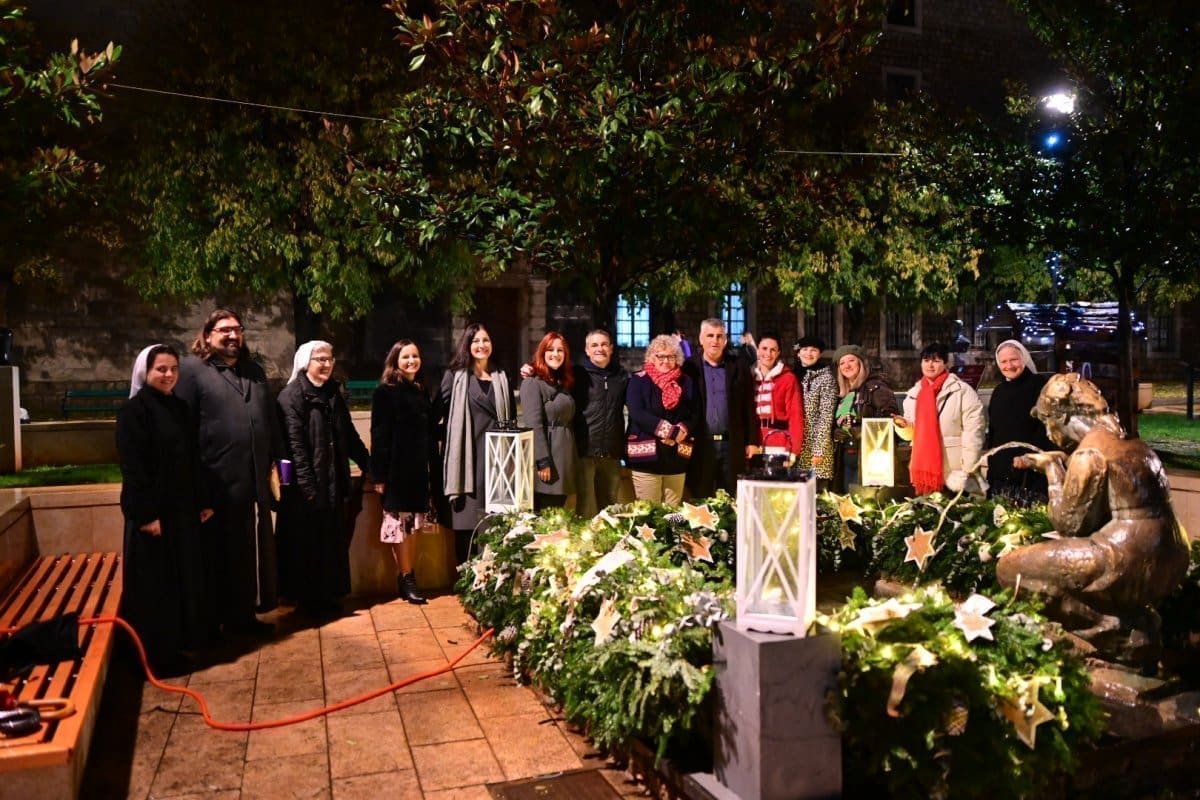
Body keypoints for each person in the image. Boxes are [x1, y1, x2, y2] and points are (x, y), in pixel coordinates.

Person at [997, 373, 1189, 672]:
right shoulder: (1128, 441)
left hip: (1125, 559)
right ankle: (1138, 626)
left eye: (1048, 422)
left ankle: (1117, 637)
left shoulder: (1090, 452)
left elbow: (1068, 524)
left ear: (1062, 416)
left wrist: (1052, 470)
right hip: (1171, 554)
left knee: (1011, 569)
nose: (1048, 432)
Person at [175, 310, 281, 638]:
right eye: (224, 330)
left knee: (243, 554)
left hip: (250, 484)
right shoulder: (191, 371)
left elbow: (269, 422)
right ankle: (209, 626)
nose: (233, 335)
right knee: (212, 557)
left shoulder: (254, 371)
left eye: (238, 329)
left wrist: (277, 468)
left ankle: (242, 618)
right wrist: (195, 487)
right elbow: (183, 431)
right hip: (212, 485)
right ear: (208, 335)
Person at [117, 344, 211, 676]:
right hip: (153, 515)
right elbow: (133, 467)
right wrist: (145, 515)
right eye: (161, 369)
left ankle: (177, 646)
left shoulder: (179, 407)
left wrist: (202, 500)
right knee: (155, 587)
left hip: (181, 512)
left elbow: (192, 459)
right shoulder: (134, 411)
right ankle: (154, 656)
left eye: (173, 369)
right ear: (146, 371)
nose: (169, 375)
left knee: (180, 580)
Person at [275, 341, 370, 617]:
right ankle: (308, 601)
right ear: (306, 361)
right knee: (307, 546)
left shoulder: (332, 394)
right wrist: (307, 487)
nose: (327, 364)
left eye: (330, 359)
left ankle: (329, 596)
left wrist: (369, 465)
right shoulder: (291, 397)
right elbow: (295, 447)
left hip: (332, 483)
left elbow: (348, 435)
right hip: (306, 490)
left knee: (330, 544)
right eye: (320, 359)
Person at [371, 340, 439, 605]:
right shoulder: (385, 393)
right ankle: (406, 577)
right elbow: (379, 436)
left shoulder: (421, 390)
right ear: (395, 361)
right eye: (406, 357)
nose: (412, 361)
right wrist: (378, 476)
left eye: (415, 356)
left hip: (419, 472)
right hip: (396, 473)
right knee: (400, 528)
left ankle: (409, 575)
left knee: (414, 527)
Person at [441, 323, 513, 564]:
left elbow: (511, 420)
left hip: (498, 462)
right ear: (467, 345)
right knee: (466, 526)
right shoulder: (455, 376)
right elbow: (437, 414)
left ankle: (490, 579)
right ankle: (465, 579)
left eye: (486, 340)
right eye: (476, 341)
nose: (482, 345)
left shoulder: (501, 376)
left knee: (494, 525)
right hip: (467, 461)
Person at [897, 342, 986, 495]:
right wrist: (903, 426)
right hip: (925, 470)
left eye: (936, 361)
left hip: (955, 470)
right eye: (926, 360)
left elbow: (974, 431)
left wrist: (968, 467)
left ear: (946, 364)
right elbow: (912, 435)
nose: (930, 365)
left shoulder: (961, 391)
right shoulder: (913, 395)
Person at [683, 319, 753, 498]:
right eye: (710, 336)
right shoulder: (689, 367)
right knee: (700, 496)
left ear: (725, 340)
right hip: (701, 444)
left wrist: (751, 441)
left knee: (729, 498)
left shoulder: (739, 366)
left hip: (731, 444)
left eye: (719, 336)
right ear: (701, 339)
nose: (715, 340)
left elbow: (748, 405)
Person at [626, 335, 698, 505]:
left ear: (677, 358)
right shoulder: (639, 380)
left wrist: (682, 430)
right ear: (652, 357)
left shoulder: (686, 382)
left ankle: (672, 526)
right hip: (646, 459)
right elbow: (637, 413)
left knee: (673, 513)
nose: (666, 361)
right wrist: (670, 432)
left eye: (671, 356)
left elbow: (694, 413)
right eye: (661, 356)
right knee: (649, 513)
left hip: (677, 458)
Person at [986, 339, 1053, 504]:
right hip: (1002, 471)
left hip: (1032, 471)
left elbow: (1047, 426)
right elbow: (994, 431)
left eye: (1014, 359)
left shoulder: (1040, 386)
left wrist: (1030, 458)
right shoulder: (999, 391)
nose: (1009, 365)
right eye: (1003, 361)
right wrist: (992, 465)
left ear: (1024, 358)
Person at [571, 329, 629, 517]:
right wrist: (530, 369)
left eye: (604, 344)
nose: (599, 349)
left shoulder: (621, 376)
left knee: (610, 509)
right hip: (585, 451)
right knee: (585, 508)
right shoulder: (577, 375)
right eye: (594, 345)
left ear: (611, 348)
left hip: (612, 451)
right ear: (587, 350)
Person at [831, 344, 900, 492]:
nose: (847, 366)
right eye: (842, 363)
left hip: (870, 458)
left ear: (861, 363)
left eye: (851, 360)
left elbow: (891, 422)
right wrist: (836, 432)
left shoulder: (875, 387)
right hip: (844, 456)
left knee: (866, 500)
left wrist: (861, 431)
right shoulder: (842, 394)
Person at [520, 331, 577, 510]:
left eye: (560, 350)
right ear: (542, 352)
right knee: (545, 516)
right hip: (547, 458)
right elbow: (533, 425)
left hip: (564, 458)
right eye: (550, 349)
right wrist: (543, 461)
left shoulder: (563, 382)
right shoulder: (532, 382)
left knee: (558, 515)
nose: (555, 354)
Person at [750, 332, 804, 460]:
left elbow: (795, 416)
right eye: (764, 348)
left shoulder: (788, 378)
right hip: (752, 444)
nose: (768, 354)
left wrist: (793, 450)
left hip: (779, 444)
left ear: (778, 353)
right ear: (757, 350)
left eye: (773, 350)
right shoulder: (748, 376)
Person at [793, 335, 836, 488]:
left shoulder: (825, 378)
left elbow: (826, 415)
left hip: (815, 448)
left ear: (819, 354)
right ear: (798, 353)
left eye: (813, 350)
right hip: (795, 446)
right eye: (804, 349)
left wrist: (819, 450)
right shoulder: (793, 375)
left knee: (816, 493)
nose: (808, 353)